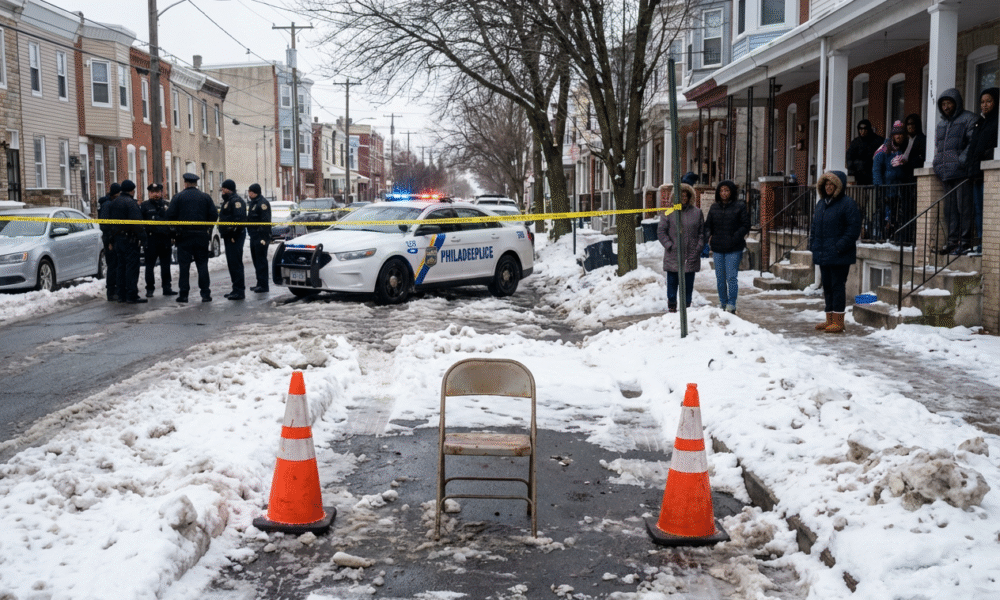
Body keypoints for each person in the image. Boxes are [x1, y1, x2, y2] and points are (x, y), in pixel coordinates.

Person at [810, 171, 862, 334]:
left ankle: (839, 321)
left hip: (840, 255)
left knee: (837, 286)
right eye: (826, 184)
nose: (828, 187)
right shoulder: (821, 204)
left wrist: (839, 246)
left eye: (832, 185)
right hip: (823, 253)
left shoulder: (848, 204)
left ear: (839, 186)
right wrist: (813, 244)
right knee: (827, 287)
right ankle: (829, 320)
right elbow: (814, 227)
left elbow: (853, 229)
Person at [932, 88, 978, 255]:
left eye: (949, 103)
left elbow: (973, 142)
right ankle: (952, 242)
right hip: (945, 172)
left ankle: (965, 241)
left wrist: (961, 160)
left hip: (961, 172)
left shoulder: (969, 119)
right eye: (943, 104)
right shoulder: (941, 124)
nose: (946, 107)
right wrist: (937, 163)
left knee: (963, 207)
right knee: (949, 209)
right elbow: (939, 147)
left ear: (956, 103)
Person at [165, 172, 219, 303]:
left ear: (185, 183)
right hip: (201, 236)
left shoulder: (178, 197)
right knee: (202, 265)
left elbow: (169, 216)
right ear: (196, 183)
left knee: (184, 267)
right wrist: (207, 227)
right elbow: (213, 215)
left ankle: (184, 294)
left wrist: (174, 232)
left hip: (184, 236)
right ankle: (205, 294)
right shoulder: (205, 197)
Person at [704, 180, 750, 314]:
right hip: (718, 247)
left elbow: (745, 225)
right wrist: (705, 240)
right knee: (720, 278)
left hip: (733, 248)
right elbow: (708, 226)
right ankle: (722, 302)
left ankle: (731, 303)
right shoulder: (714, 208)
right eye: (722, 190)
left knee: (731, 277)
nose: (724, 193)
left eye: (727, 190)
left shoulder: (739, 206)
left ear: (731, 192)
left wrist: (735, 237)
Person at [657, 182, 704, 313]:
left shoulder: (697, 212)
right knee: (672, 281)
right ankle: (672, 304)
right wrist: (669, 245)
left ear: (689, 197)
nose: (683, 198)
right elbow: (661, 231)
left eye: (685, 196)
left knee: (688, 283)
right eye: (680, 195)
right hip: (673, 253)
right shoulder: (669, 212)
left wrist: (698, 247)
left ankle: (686, 305)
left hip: (691, 253)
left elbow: (702, 233)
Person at [963, 87, 998, 254]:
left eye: (988, 101)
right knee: (978, 210)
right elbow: (972, 147)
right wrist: (969, 166)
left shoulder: (997, 121)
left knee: (988, 209)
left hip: (990, 174)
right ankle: (981, 241)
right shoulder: (980, 122)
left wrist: (988, 154)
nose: (984, 105)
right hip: (976, 174)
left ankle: (988, 243)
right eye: (982, 102)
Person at [871, 120, 914, 241]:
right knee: (886, 215)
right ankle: (885, 238)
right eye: (896, 134)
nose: (899, 136)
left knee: (899, 215)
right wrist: (879, 188)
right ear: (892, 135)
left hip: (901, 188)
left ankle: (899, 237)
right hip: (887, 189)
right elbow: (876, 170)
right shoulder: (884, 150)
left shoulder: (905, 149)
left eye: (901, 133)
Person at [107, 179, 147, 304]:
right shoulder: (131, 203)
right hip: (130, 240)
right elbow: (137, 223)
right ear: (132, 190)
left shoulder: (114, 203)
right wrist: (144, 239)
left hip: (118, 240)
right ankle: (131, 295)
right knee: (131, 268)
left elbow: (111, 224)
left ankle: (121, 295)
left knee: (120, 267)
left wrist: (111, 240)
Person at [139, 183, 176, 297]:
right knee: (149, 266)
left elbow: (172, 221)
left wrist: (173, 235)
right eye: (152, 192)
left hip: (165, 239)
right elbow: (140, 224)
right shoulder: (144, 206)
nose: (155, 194)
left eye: (157, 191)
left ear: (161, 192)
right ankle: (150, 289)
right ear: (149, 193)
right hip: (151, 239)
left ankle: (167, 287)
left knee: (166, 265)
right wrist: (143, 239)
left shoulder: (166, 205)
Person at [218, 179, 248, 300]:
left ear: (228, 189)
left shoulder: (236, 201)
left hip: (234, 237)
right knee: (232, 264)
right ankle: (235, 288)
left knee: (236, 264)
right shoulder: (228, 201)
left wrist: (233, 236)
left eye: (223, 189)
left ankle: (239, 291)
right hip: (229, 237)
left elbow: (239, 221)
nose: (222, 191)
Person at [97, 182, 121, 302]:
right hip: (109, 240)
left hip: (112, 238)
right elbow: (105, 225)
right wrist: (110, 240)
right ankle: (111, 291)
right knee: (112, 265)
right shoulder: (107, 205)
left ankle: (115, 289)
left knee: (115, 265)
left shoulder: (109, 203)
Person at [246, 183, 272, 293]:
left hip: (260, 236)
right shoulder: (254, 202)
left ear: (254, 192)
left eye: (250, 191)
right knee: (256, 260)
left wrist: (261, 235)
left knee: (261, 261)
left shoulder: (262, 203)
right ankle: (259, 282)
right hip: (254, 235)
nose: (249, 193)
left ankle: (264, 285)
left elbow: (265, 221)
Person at [845, 119, 882, 185]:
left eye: (865, 129)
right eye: (861, 129)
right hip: (859, 176)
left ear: (869, 129)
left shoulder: (878, 141)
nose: (863, 131)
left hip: (874, 175)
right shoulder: (855, 143)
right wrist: (851, 174)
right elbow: (849, 158)